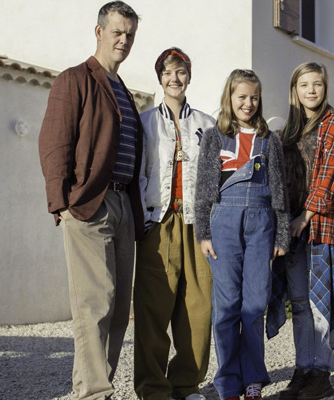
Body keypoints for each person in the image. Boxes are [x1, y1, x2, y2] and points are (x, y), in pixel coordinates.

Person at [37, 2, 143, 399]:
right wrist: (60, 202)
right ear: (98, 32)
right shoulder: (74, 79)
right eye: (117, 32)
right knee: (94, 304)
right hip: (89, 204)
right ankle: (98, 393)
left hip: (122, 205)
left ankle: (89, 388)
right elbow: (53, 143)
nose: (124, 40)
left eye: (130, 34)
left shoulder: (124, 91)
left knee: (117, 310)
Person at [194, 69, 289, 400]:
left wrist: (281, 235)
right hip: (224, 224)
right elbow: (205, 190)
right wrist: (203, 232)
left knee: (254, 303)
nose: (248, 103)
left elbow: (278, 190)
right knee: (226, 307)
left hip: (262, 225)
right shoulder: (214, 137)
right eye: (241, 97)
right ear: (229, 98)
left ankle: (253, 379)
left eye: (254, 97)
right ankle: (228, 382)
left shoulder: (269, 140)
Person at [133, 47, 216, 400]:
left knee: (197, 308)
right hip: (160, 221)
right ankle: (153, 388)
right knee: (154, 306)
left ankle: (187, 384)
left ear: (189, 76)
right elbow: (139, 175)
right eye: (168, 72)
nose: (175, 78)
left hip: (198, 225)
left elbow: (215, 179)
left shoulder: (207, 124)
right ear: (160, 77)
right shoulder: (145, 122)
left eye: (181, 72)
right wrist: (142, 223)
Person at [268, 62, 334, 400]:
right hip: (292, 229)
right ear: (295, 89)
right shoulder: (288, 131)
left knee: (321, 303)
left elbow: (330, 180)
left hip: (321, 226)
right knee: (300, 303)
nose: (311, 90)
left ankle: (322, 373)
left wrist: (303, 217)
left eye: (317, 84)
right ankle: (303, 369)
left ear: (325, 87)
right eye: (304, 85)